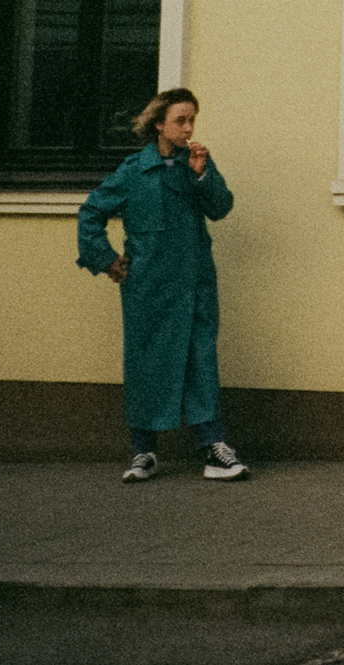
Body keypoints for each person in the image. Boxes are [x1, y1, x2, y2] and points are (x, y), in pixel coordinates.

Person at [76, 88, 248, 482]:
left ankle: (213, 445)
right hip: (149, 287)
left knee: (200, 359)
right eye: (180, 121)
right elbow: (91, 211)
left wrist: (202, 173)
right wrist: (105, 259)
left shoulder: (196, 163)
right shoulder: (134, 170)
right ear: (159, 124)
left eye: (192, 120)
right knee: (146, 362)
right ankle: (143, 451)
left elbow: (220, 208)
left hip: (195, 283)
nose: (188, 128)